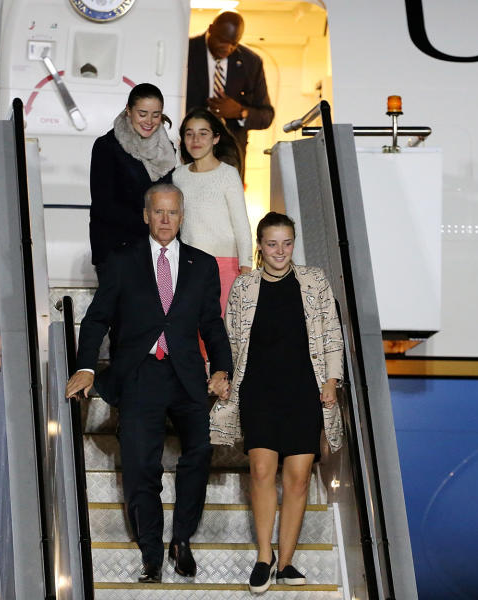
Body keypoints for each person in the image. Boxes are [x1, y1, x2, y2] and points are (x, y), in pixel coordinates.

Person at [66, 184, 232, 584]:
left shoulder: (202, 265)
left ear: (181, 216)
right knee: (142, 467)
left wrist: (222, 367)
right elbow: (96, 319)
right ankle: (151, 553)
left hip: (187, 376)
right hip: (140, 375)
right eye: (157, 212)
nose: (164, 220)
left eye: (172, 213)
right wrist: (86, 367)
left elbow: (211, 322)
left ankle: (182, 540)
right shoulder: (121, 261)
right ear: (145, 215)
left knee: (199, 454)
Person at [209, 212, 345, 594]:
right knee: (261, 470)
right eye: (272, 243)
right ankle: (264, 557)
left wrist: (332, 381)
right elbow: (229, 338)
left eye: (287, 243)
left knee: (299, 479)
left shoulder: (314, 281)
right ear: (260, 245)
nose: (280, 251)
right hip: (258, 391)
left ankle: (286, 563)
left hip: (305, 391)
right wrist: (221, 375)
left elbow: (332, 335)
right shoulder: (244, 286)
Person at [89, 83, 176, 272]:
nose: (149, 121)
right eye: (142, 113)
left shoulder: (166, 149)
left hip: (155, 252)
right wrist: (151, 223)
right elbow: (103, 205)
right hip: (117, 251)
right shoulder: (107, 146)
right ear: (128, 110)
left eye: (156, 115)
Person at [173, 107, 252, 314]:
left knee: (221, 332)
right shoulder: (177, 176)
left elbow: (241, 224)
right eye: (189, 134)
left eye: (203, 133)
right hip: (189, 265)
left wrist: (246, 267)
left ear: (215, 138)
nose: (195, 139)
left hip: (225, 265)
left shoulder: (228, 174)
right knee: (192, 331)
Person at [185, 10, 274, 178]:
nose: (227, 48)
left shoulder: (251, 62)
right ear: (211, 28)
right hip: (187, 151)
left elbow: (266, 115)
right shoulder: (185, 50)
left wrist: (240, 112)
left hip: (229, 158)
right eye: (222, 40)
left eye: (234, 43)